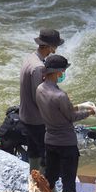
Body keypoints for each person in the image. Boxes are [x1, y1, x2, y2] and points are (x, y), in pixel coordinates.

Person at [35, 55, 96, 192]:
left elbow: (59, 110)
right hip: (67, 144)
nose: (63, 74)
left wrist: (80, 106)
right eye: (62, 71)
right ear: (58, 72)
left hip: (50, 141)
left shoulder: (40, 89)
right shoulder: (60, 95)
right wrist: (90, 112)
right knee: (69, 183)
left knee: (50, 177)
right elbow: (71, 117)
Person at [20, 29, 64, 172]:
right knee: (45, 156)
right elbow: (38, 97)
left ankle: (33, 180)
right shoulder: (38, 67)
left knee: (34, 151)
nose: (55, 49)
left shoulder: (30, 58)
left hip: (26, 115)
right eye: (55, 46)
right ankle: (45, 186)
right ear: (49, 47)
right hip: (37, 119)